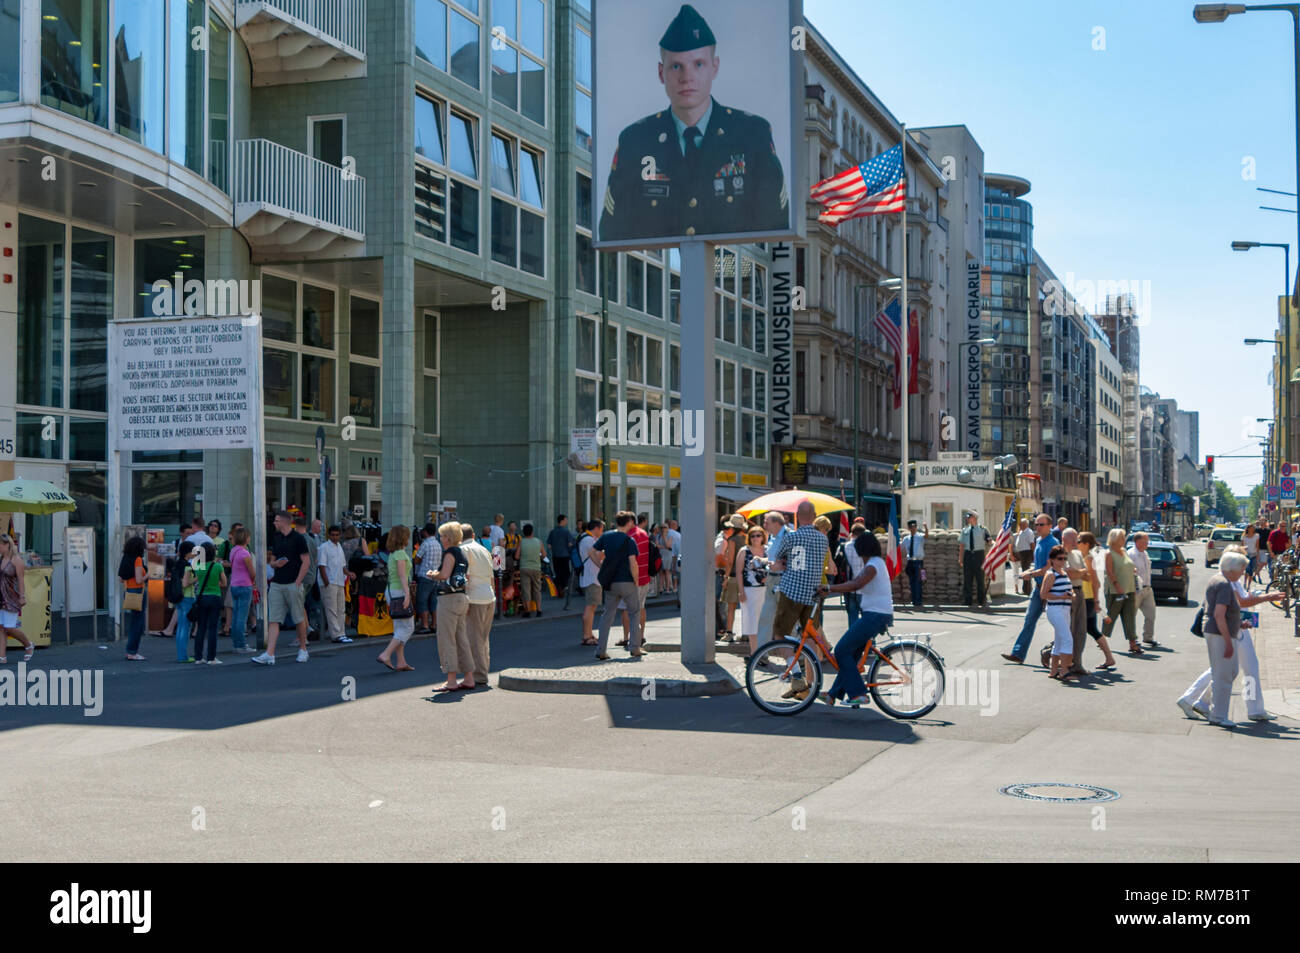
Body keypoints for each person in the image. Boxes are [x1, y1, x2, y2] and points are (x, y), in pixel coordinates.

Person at [598, 3, 787, 242]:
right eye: (676, 66)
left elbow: (776, 226)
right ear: (660, 73)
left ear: (714, 68)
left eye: (698, 64)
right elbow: (613, 233)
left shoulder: (752, 134)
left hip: (729, 274)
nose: (687, 77)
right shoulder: (635, 141)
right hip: (664, 275)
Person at [1178, 545, 1285, 723]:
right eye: (1242, 562)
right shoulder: (1228, 580)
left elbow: (1240, 601)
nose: (1244, 569)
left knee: (1230, 669)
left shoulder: (1231, 578)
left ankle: (1199, 701)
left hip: (1236, 625)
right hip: (1230, 628)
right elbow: (1239, 602)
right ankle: (1249, 708)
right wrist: (1267, 597)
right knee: (1234, 669)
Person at [818, 531, 891, 708]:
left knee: (842, 650)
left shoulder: (873, 565)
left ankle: (858, 694)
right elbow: (855, 582)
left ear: (860, 550)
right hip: (874, 614)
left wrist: (829, 588)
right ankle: (833, 694)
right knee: (850, 654)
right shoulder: (874, 564)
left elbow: (856, 585)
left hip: (875, 616)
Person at [770, 501, 829, 698]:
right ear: (813, 516)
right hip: (813, 594)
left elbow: (778, 560)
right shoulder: (823, 540)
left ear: (797, 517)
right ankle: (810, 686)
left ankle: (796, 677)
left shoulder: (791, 537)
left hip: (792, 591)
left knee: (780, 635)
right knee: (810, 638)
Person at [1188, 551, 1250, 727]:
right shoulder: (1224, 584)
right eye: (1241, 569)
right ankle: (1218, 715)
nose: (1242, 573)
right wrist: (1228, 642)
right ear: (1233, 568)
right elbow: (1219, 615)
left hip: (1216, 631)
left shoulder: (1218, 579)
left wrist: (1238, 624)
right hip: (1219, 633)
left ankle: (1209, 707)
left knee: (1227, 673)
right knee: (1223, 675)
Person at [252, 510, 311, 665]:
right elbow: (272, 559)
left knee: (298, 617)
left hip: (293, 583)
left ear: (284, 522)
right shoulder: (276, 537)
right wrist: (274, 564)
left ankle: (303, 649)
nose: (274, 523)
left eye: (276, 520)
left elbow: (306, 560)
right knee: (274, 619)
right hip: (277, 582)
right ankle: (270, 653)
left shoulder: (298, 538)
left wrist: (298, 581)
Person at [1003, 514, 1056, 663]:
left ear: (1049, 526)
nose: (1037, 528)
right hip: (1039, 588)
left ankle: (1058, 654)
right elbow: (1039, 566)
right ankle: (1018, 653)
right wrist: (1029, 572)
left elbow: (1048, 567)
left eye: (1041, 525)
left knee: (1057, 623)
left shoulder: (1053, 543)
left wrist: (1031, 574)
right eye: (1036, 525)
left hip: (1050, 588)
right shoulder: (1039, 541)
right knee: (1029, 620)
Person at [591, 512, 644, 659]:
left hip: (611, 582)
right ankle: (635, 648)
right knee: (634, 613)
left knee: (607, 615)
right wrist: (636, 580)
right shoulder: (629, 540)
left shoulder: (606, 536)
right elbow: (633, 563)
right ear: (628, 522)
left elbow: (592, 551)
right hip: (627, 581)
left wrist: (600, 566)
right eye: (632, 522)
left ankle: (600, 650)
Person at [429, 522, 473, 690]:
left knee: (447, 639)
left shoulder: (449, 553)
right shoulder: (462, 553)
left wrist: (433, 574)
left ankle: (451, 680)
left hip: (448, 599)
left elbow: (444, 574)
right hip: (462, 597)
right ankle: (469, 677)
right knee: (462, 639)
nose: (441, 538)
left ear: (448, 537)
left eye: (442, 535)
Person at [460, 523, 496, 689]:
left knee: (473, 638)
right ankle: (482, 671)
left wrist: (464, 598)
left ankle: (479, 675)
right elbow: (491, 577)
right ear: (473, 535)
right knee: (483, 638)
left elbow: (465, 577)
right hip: (489, 596)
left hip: (475, 597)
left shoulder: (463, 550)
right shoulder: (483, 549)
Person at [377, 525, 417, 673]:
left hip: (392, 591)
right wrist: (407, 595)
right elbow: (402, 576)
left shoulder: (393, 553)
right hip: (399, 591)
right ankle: (386, 654)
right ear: (403, 537)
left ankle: (401, 662)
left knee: (399, 628)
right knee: (408, 627)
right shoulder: (400, 554)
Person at [1077, 532, 1118, 670]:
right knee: (1092, 629)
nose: (1076, 543)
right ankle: (1109, 658)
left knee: (1083, 629)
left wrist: (1095, 601)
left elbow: (1095, 581)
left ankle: (1074, 661)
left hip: (1087, 598)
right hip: (1085, 597)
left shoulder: (1088, 558)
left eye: (1078, 541)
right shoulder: (1082, 557)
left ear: (1086, 544)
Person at [1101, 528, 1142, 656]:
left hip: (1129, 589)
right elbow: (1109, 571)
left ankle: (1133, 642)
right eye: (1122, 538)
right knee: (1111, 616)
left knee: (1130, 616)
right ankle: (1101, 639)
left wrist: (1133, 572)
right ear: (1114, 539)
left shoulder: (1124, 552)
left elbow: (1130, 566)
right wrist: (1117, 586)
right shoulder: (1109, 553)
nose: (1124, 540)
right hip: (1115, 591)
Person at [752, 511, 788, 650]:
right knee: (765, 618)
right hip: (772, 579)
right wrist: (761, 560)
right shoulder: (772, 538)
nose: (764, 524)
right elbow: (772, 560)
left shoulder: (789, 536)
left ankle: (796, 655)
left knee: (787, 620)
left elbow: (797, 559)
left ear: (776, 523)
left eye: (766, 522)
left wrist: (783, 564)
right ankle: (761, 653)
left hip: (784, 580)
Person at [1041, 546, 1076, 682]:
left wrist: (1071, 595)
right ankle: (1065, 670)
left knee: (1060, 640)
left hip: (1065, 609)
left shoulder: (1064, 573)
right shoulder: (1051, 574)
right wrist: (1062, 596)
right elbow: (1043, 594)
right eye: (1059, 559)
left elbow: (1069, 589)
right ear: (1052, 560)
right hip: (1055, 610)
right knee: (1068, 639)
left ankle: (1054, 670)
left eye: (1064, 558)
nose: (1062, 561)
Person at [0, 534, 35, 663]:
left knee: (9, 627)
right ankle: (2, 656)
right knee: (1, 627)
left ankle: (28, 645)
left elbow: (20, 580)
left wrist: (22, 597)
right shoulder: (0, 559)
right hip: (0, 597)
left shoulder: (16, 560)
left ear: (7, 545)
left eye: (0, 545)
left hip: (11, 597)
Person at [191, 542, 227, 664]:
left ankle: (198, 657)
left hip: (201, 597)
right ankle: (211, 658)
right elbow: (224, 583)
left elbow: (197, 580)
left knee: (201, 627)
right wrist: (216, 584)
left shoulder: (199, 566)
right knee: (212, 628)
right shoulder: (217, 566)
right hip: (215, 597)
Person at [736, 525, 768, 658]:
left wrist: (769, 578)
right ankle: (754, 653)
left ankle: (763, 653)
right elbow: (738, 572)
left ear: (763, 537)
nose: (755, 538)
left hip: (766, 591)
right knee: (751, 622)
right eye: (753, 535)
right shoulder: (744, 551)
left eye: (758, 535)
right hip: (749, 591)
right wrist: (740, 591)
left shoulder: (768, 550)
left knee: (764, 622)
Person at [1061, 528, 1089, 675]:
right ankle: (1065, 664)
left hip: (1079, 591)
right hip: (1067, 594)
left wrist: (1077, 572)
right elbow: (1068, 573)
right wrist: (1079, 572)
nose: (1076, 542)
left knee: (1080, 630)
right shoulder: (1061, 554)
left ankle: (1077, 663)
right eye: (1073, 539)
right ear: (1064, 539)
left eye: (1076, 538)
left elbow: (1086, 575)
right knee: (1068, 630)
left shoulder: (1078, 554)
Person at [318, 525, 352, 644]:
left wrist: (349, 574)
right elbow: (321, 566)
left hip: (339, 581)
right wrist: (326, 582)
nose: (335, 537)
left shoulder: (339, 547)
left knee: (341, 609)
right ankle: (336, 635)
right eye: (333, 535)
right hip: (330, 582)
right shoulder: (324, 547)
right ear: (329, 535)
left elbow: (342, 566)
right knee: (331, 609)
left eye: (337, 535)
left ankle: (342, 633)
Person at [714, 513, 745, 641]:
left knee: (731, 607)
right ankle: (746, 634)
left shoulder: (732, 540)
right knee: (745, 608)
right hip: (745, 576)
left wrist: (725, 577)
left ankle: (729, 632)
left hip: (733, 575)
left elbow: (730, 561)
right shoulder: (747, 538)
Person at [227, 527, 257, 654]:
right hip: (245, 585)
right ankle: (241, 645)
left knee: (236, 616)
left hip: (234, 585)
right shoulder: (245, 553)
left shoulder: (233, 551)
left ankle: (236, 643)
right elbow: (252, 572)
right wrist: (253, 581)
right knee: (242, 617)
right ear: (246, 538)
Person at [119, 535, 149, 661]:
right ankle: (132, 651)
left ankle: (130, 651)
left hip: (129, 591)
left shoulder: (126, 558)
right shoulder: (137, 559)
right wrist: (149, 573)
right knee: (138, 623)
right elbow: (139, 579)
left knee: (134, 621)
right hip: (138, 591)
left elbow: (121, 578)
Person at [1127, 531, 1159, 648]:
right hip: (1136, 590)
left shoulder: (1145, 553)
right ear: (1137, 542)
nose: (1147, 543)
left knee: (1151, 614)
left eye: (1147, 541)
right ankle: (1133, 640)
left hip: (1147, 589)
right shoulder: (1131, 554)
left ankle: (1148, 637)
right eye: (1145, 541)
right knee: (1131, 616)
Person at [577, 518, 604, 646]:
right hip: (592, 577)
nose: (602, 532)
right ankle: (586, 635)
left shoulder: (585, 538)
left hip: (590, 576)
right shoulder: (589, 540)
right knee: (590, 606)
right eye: (602, 529)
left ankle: (589, 633)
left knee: (592, 607)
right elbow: (598, 556)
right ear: (597, 528)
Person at [295, 514, 323, 639]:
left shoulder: (300, 540)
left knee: (298, 606)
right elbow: (316, 559)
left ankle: (302, 635)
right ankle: (307, 628)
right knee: (300, 604)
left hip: (303, 576)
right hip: (311, 575)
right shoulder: (311, 540)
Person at [412, 523, 442, 635]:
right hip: (435, 576)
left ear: (426, 532)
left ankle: (424, 625)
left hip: (425, 575)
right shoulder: (438, 544)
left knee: (422, 600)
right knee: (433, 601)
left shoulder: (425, 544)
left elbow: (417, 559)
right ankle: (434, 624)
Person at [958, 510, 990, 610]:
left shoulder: (983, 529)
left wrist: (994, 545)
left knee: (980, 579)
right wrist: (961, 558)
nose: (967, 519)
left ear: (975, 518)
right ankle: (967, 601)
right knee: (967, 579)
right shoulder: (965, 530)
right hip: (968, 555)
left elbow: (989, 541)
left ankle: (981, 600)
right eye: (967, 517)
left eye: (969, 517)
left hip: (979, 555)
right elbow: (962, 545)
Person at [516, 523, 545, 617]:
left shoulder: (521, 542)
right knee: (537, 589)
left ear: (524, 533)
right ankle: (539, 610)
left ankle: (527, 611)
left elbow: (516, 556)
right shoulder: (538, 541)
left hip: (524, 568)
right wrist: (538, 558)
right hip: (536, 568)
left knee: (526, 590)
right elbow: (544, 555)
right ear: (532, 532)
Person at [901, 519, 928, 609]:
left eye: (915, 526)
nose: (913, 528)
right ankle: (913, 600)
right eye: (911, 527)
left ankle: (918, 601)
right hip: (910, 562)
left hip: (919, 562)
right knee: (912, 582)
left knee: (919, 582)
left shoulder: (920, 537)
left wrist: (926, 528)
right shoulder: (906, 538)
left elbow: (926, 536)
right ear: (908, 528)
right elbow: (900, 548)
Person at [842, 525, 865, 626]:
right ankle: (868, 640)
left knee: (852, 616)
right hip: (863, 586)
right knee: (866, 617)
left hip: (849, 586)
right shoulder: (865, 547)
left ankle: (854, 640)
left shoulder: (845, 546)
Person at [547, 516, 575, 595]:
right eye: (566, 520)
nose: (566, 522)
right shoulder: (566, 532)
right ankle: (563, 587)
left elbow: (549, 545)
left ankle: (559, 586)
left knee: (558, 572)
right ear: (562, 521)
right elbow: (570, 543)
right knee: (565, 572)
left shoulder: (553, 532)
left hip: (555, 555)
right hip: (565, 555)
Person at [1013, 518, 1035, 595]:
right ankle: (1026, 589)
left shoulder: (1029, 532)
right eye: (1020, 524)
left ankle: (1027, 590)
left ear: (1026, 524)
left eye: (1021, 524)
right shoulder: (1022, 531)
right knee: (1024, 571)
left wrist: (1033, 554)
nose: (1020, 525)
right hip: (1022, 553)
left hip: (1026, 553)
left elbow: (1032, 544)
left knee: (1026, 571)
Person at [655, 522, 675, 595]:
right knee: (661, 572)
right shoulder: (658, 536)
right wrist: (665, 547)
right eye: (662, 527)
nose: (663, 529)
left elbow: (668, 545)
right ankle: (660, 588)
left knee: (667, 571)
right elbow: (657, 546)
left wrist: (664, 537)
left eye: (665, 527)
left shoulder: (670, 536)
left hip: (667, 555)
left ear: (668, 528)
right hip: (660, 555)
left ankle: (667, 588)